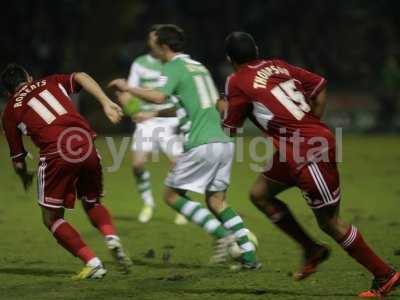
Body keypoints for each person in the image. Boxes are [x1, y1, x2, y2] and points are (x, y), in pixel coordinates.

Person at [222, 31, 399, 297]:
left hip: (307, 151)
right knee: (260, 195)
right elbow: (319, 85)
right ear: (256, 49)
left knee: (330, 223)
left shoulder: (237, 81)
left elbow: (229, 129)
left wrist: (220, 105)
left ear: (229, 59)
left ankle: (385, 274)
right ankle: (312, 250)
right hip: (294, 149)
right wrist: (311, 122)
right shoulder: (277, 65)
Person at [109, 24, 260, 269]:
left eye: (153, 43)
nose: (150, 47)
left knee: (171, 196)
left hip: (200, 143)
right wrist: (155, 114)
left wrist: (128, 88)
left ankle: (224, 236)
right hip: (223, 143)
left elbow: (158, 95)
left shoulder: (173, 67)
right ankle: (250, 257)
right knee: (216, 202)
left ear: (164, 46)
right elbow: (202, 104)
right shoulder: (198, 67)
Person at [1, 64, 132, 279]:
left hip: (57, 153)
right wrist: (106, 102)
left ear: (8, 93)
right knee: (92, 202)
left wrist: (23, 174)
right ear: (30, 77)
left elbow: (18, 159)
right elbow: (80, 75)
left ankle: (93, 263)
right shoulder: (50, 81)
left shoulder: (9, 112)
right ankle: (111, 238)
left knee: (51, 218)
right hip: (85, 143)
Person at [116, 25, 186, 224]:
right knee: (137, 163)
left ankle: (181, 204)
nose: (152, 42)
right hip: (146, 122)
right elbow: (128, 92)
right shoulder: (140, 63)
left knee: (177, 164)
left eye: (155, 38)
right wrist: (135, 111)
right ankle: (148, 203)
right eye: (151, 38)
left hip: (170, 119)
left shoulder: (174, 63)